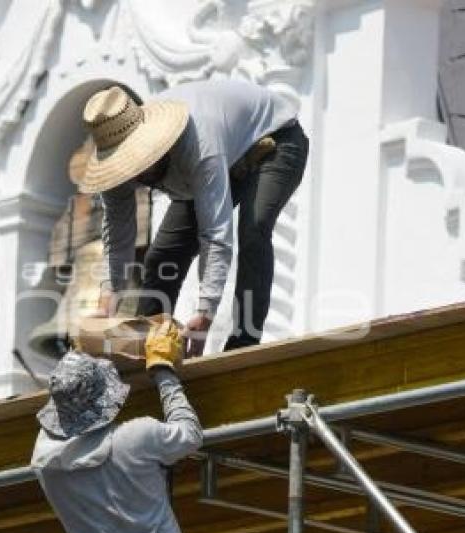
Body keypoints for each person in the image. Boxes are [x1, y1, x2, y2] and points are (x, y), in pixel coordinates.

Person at [77, 79, 309, 354]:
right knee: (162, 257)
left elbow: (215, 235)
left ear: (154, 143)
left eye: (139, 162)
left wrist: (205, 313)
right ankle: (148, 348)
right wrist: (107, 304)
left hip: (275, 141)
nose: (137, 176)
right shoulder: (116, 164)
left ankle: (243, 343)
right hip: (224, 158)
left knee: (253, 229)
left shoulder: (198, 143)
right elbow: (117, 239)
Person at [31, 318, 202, 533]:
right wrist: (162, 369)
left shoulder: (44, 463)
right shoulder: (135, 439)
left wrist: (76, 358)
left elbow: (60, 418)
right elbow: (190, 433)